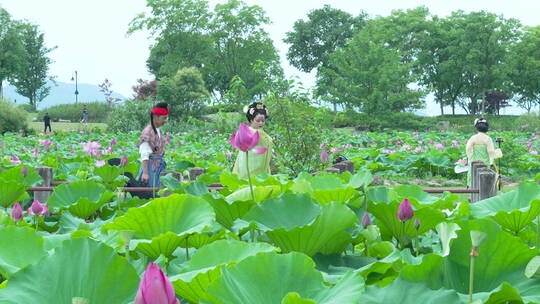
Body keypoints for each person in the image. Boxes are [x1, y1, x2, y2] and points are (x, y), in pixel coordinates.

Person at [232, 102, 273, 179]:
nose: (261, 123)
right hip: (249, 169)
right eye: (258, 120)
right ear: (251, 120)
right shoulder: (246, 132)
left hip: (263, 171)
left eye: (263, 120)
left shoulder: (263, 134)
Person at [137, 102, 169, 188]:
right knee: (151, 192)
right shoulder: (147, 131)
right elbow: (144, 154)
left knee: (159, 192)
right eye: (164, 118)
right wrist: (145, 173)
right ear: (156, 117)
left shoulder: (158, 130)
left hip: (159, 167)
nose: (166, 121)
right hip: (150, 168)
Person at [465, 118, 502, 187]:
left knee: (473, 177)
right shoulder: (488, 139)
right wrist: (498, 152)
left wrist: (471, 157)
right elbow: (491, 152)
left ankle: (472, 192)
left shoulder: (473, 138)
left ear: (476, 127)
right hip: (485, 163)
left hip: (474, 162)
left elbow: (468, 149)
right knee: (484, 178)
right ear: (486, 128)